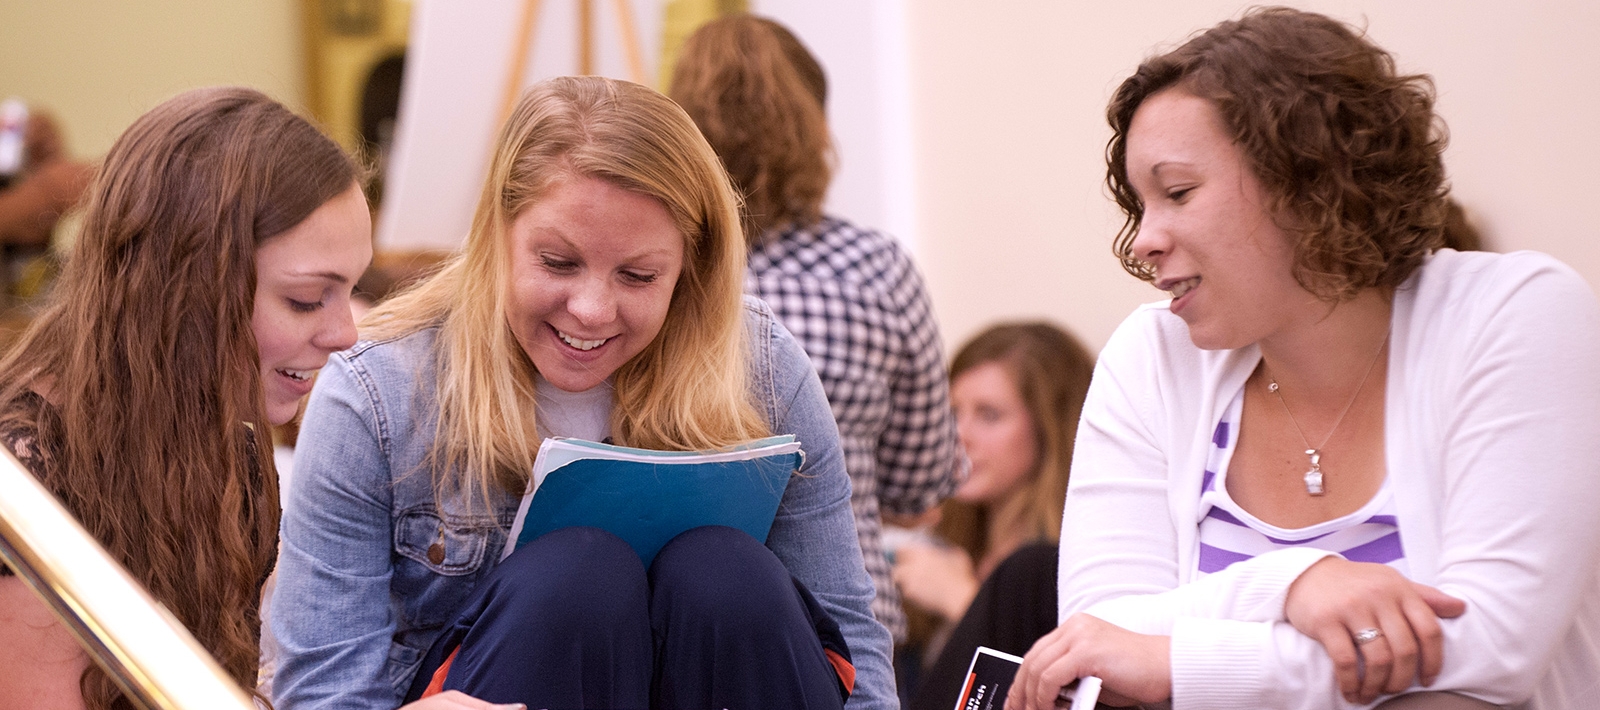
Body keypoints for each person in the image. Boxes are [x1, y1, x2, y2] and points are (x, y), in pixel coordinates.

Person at [1007, 8, 1600, 710]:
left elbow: (1489, 650)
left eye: (1178, 193)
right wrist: (1293, 584)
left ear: (1307, 179)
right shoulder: (1150, 357)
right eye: (1141, 204)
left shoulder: (1518, 312)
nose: (1145, 239)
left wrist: (1180, 669)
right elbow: (1096, 642)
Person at [268, 76, 895, 710]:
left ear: (690, 269)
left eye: (638, 275)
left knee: (724, 574)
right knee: (576, 579)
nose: (591, 311)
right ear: (497, 237)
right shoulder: (378, 390)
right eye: (558, 263)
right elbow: (325, 690)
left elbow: (851, 633)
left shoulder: (760, 365)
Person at [0, 87, 372, 709]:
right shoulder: (27, 477)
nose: (345, 335)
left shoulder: (228, 445)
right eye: (308, 299)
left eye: (351, 291)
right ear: (188, 291)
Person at [669, 14, 963, 644]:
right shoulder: (876, 269)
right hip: (843, 633)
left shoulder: (653, 270)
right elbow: (919, 492)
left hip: (680, 630)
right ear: (818, 129)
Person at [892, 322, 1093, 710]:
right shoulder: (936, 548)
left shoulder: (1066, 574)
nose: (959, 435)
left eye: (989, 415)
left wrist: (962, 602)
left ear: (1051, 428)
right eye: (951, 413)